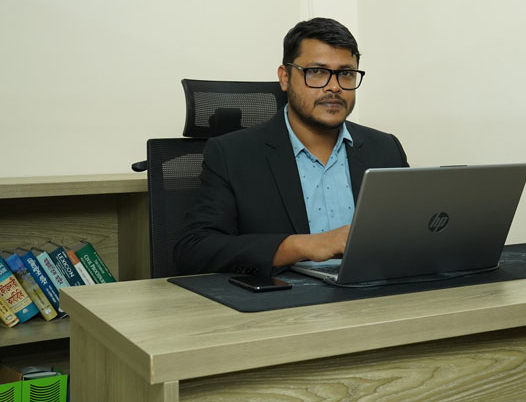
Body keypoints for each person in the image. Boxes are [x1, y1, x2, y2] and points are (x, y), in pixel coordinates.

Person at [174, 17, 409, 276]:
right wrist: (301, 245)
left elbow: (413, 232)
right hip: (286, 304)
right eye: (316, 72)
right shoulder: (231, 154)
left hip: (377, 297)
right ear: (285, 78)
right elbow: (194, 250)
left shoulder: (385, 148)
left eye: (346, 73)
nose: (334, 87)